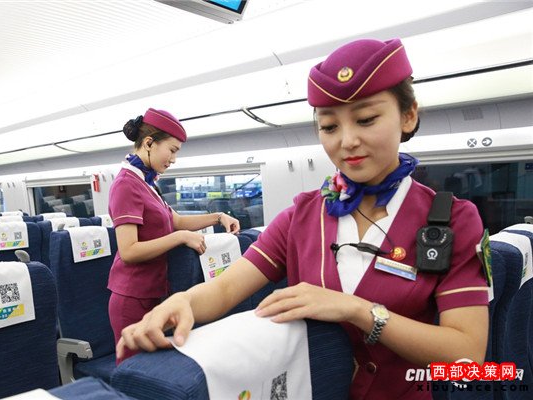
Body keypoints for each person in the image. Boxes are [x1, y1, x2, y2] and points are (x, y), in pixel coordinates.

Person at [116, 40, 490, 398]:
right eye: (329, 127)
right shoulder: (302, 216)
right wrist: (183, 301)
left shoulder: (452, 221)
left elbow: (468, 356)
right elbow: (226, 289)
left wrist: (358, 311)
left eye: (366, 119)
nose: (347, 141)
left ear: (408, 116)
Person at [108, 107, 240, 363]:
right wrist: (180, 238)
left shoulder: (146, 182)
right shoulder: (126, 184)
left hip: (155, 292)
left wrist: (218, 217)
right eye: (172, 150)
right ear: (149, 143)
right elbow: (129, 250)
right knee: (136, 372)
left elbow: (175, 221)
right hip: (132, 297)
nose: (174, 159)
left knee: (158, 370)